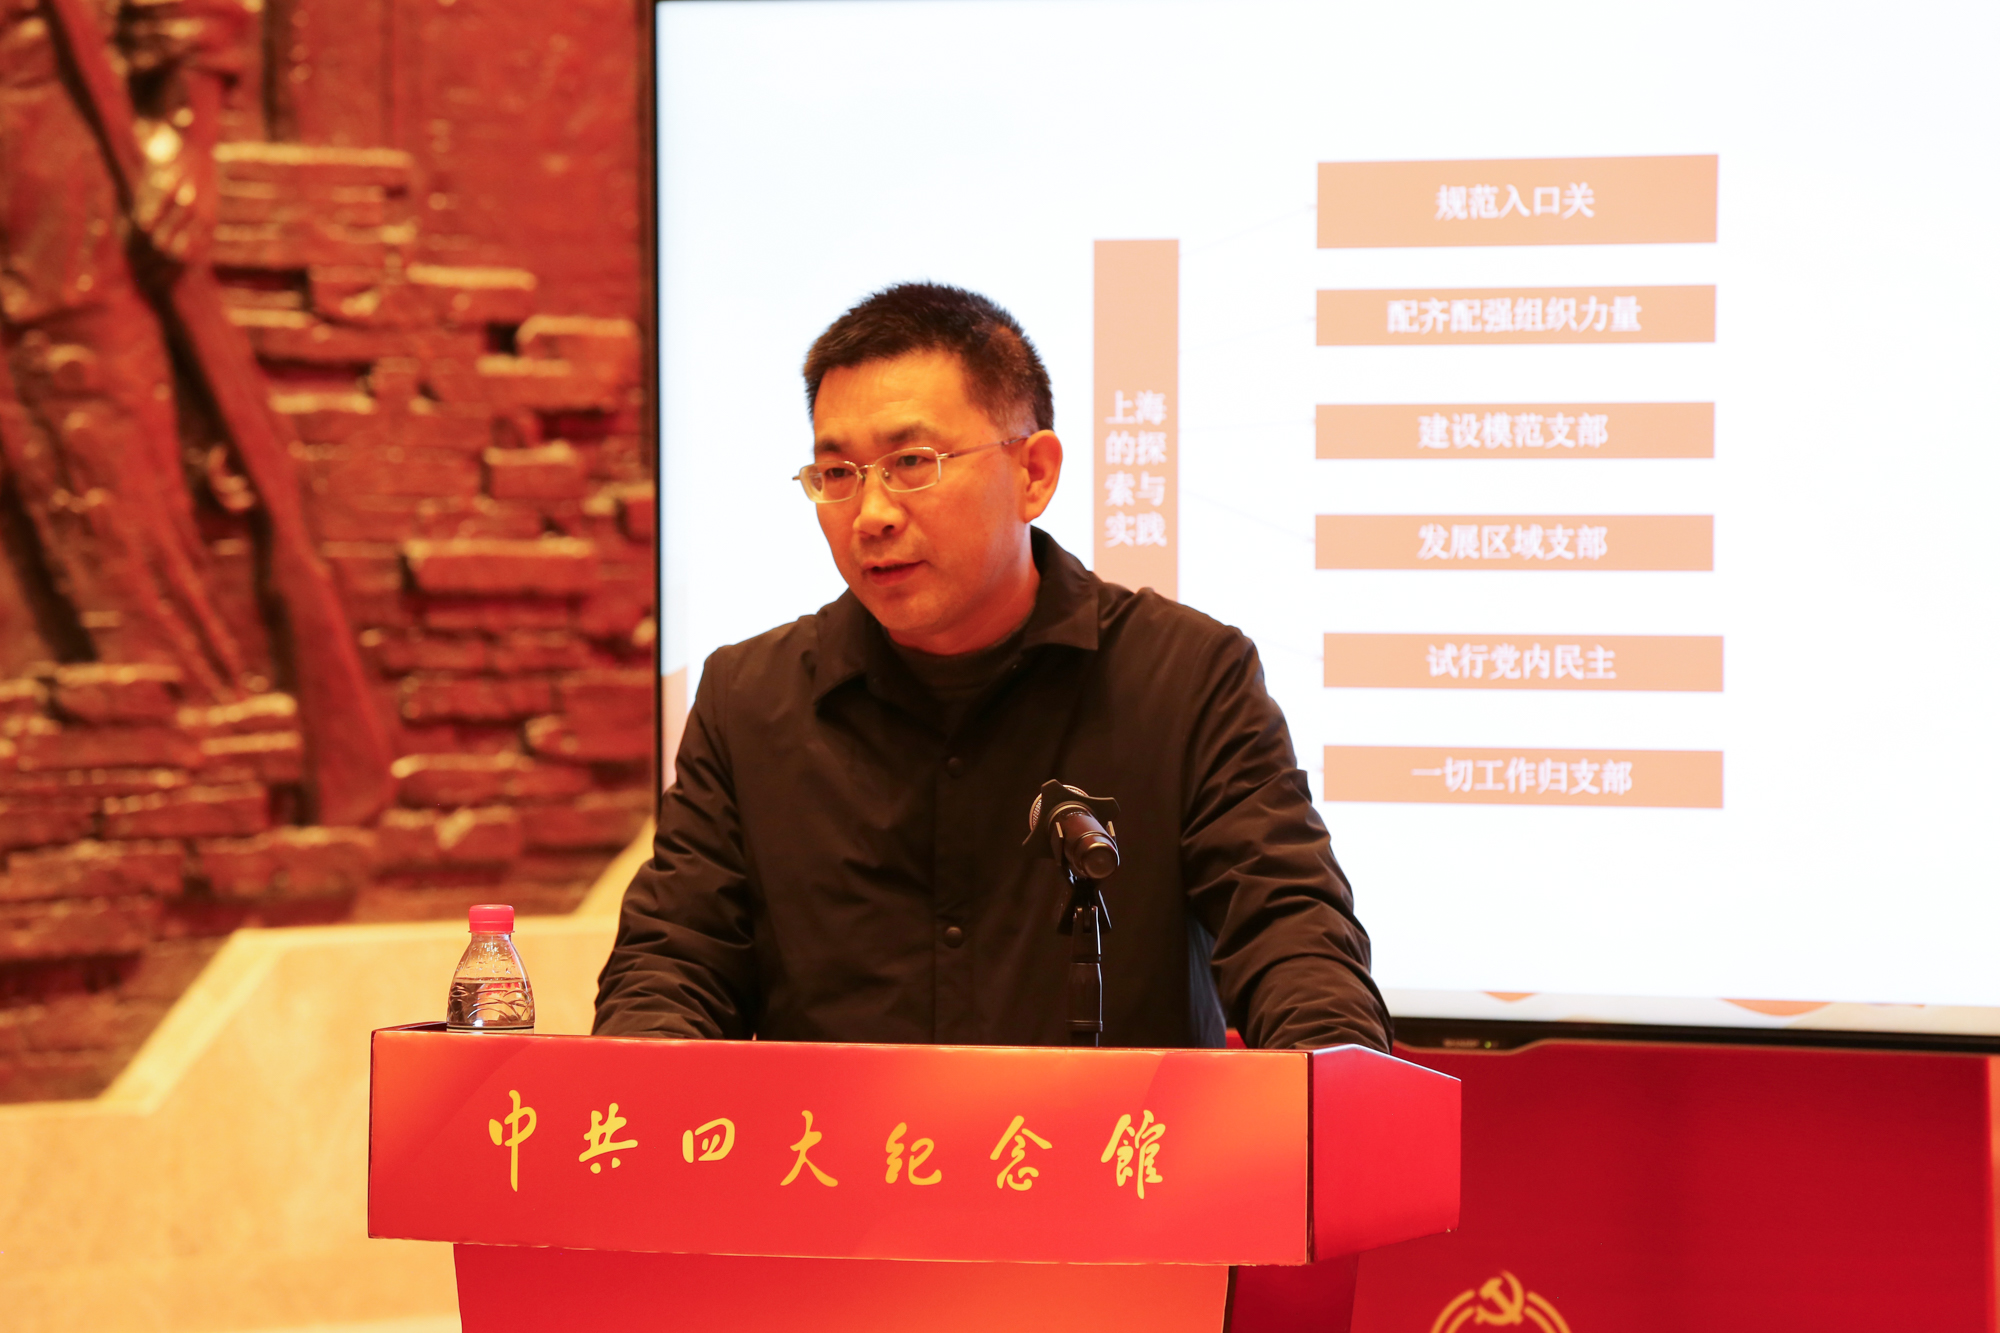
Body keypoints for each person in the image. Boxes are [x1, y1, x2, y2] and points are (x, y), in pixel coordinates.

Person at [595, 283, 1388, 1052]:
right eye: (838, 474)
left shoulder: (1187, 680)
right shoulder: (748, 702)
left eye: (912, 461)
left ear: (1034, 473)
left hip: (1119, 1147)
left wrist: (1336, 1093)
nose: (871, 514)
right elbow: (670, 967)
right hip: (832, 1147)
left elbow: (1296, 942)